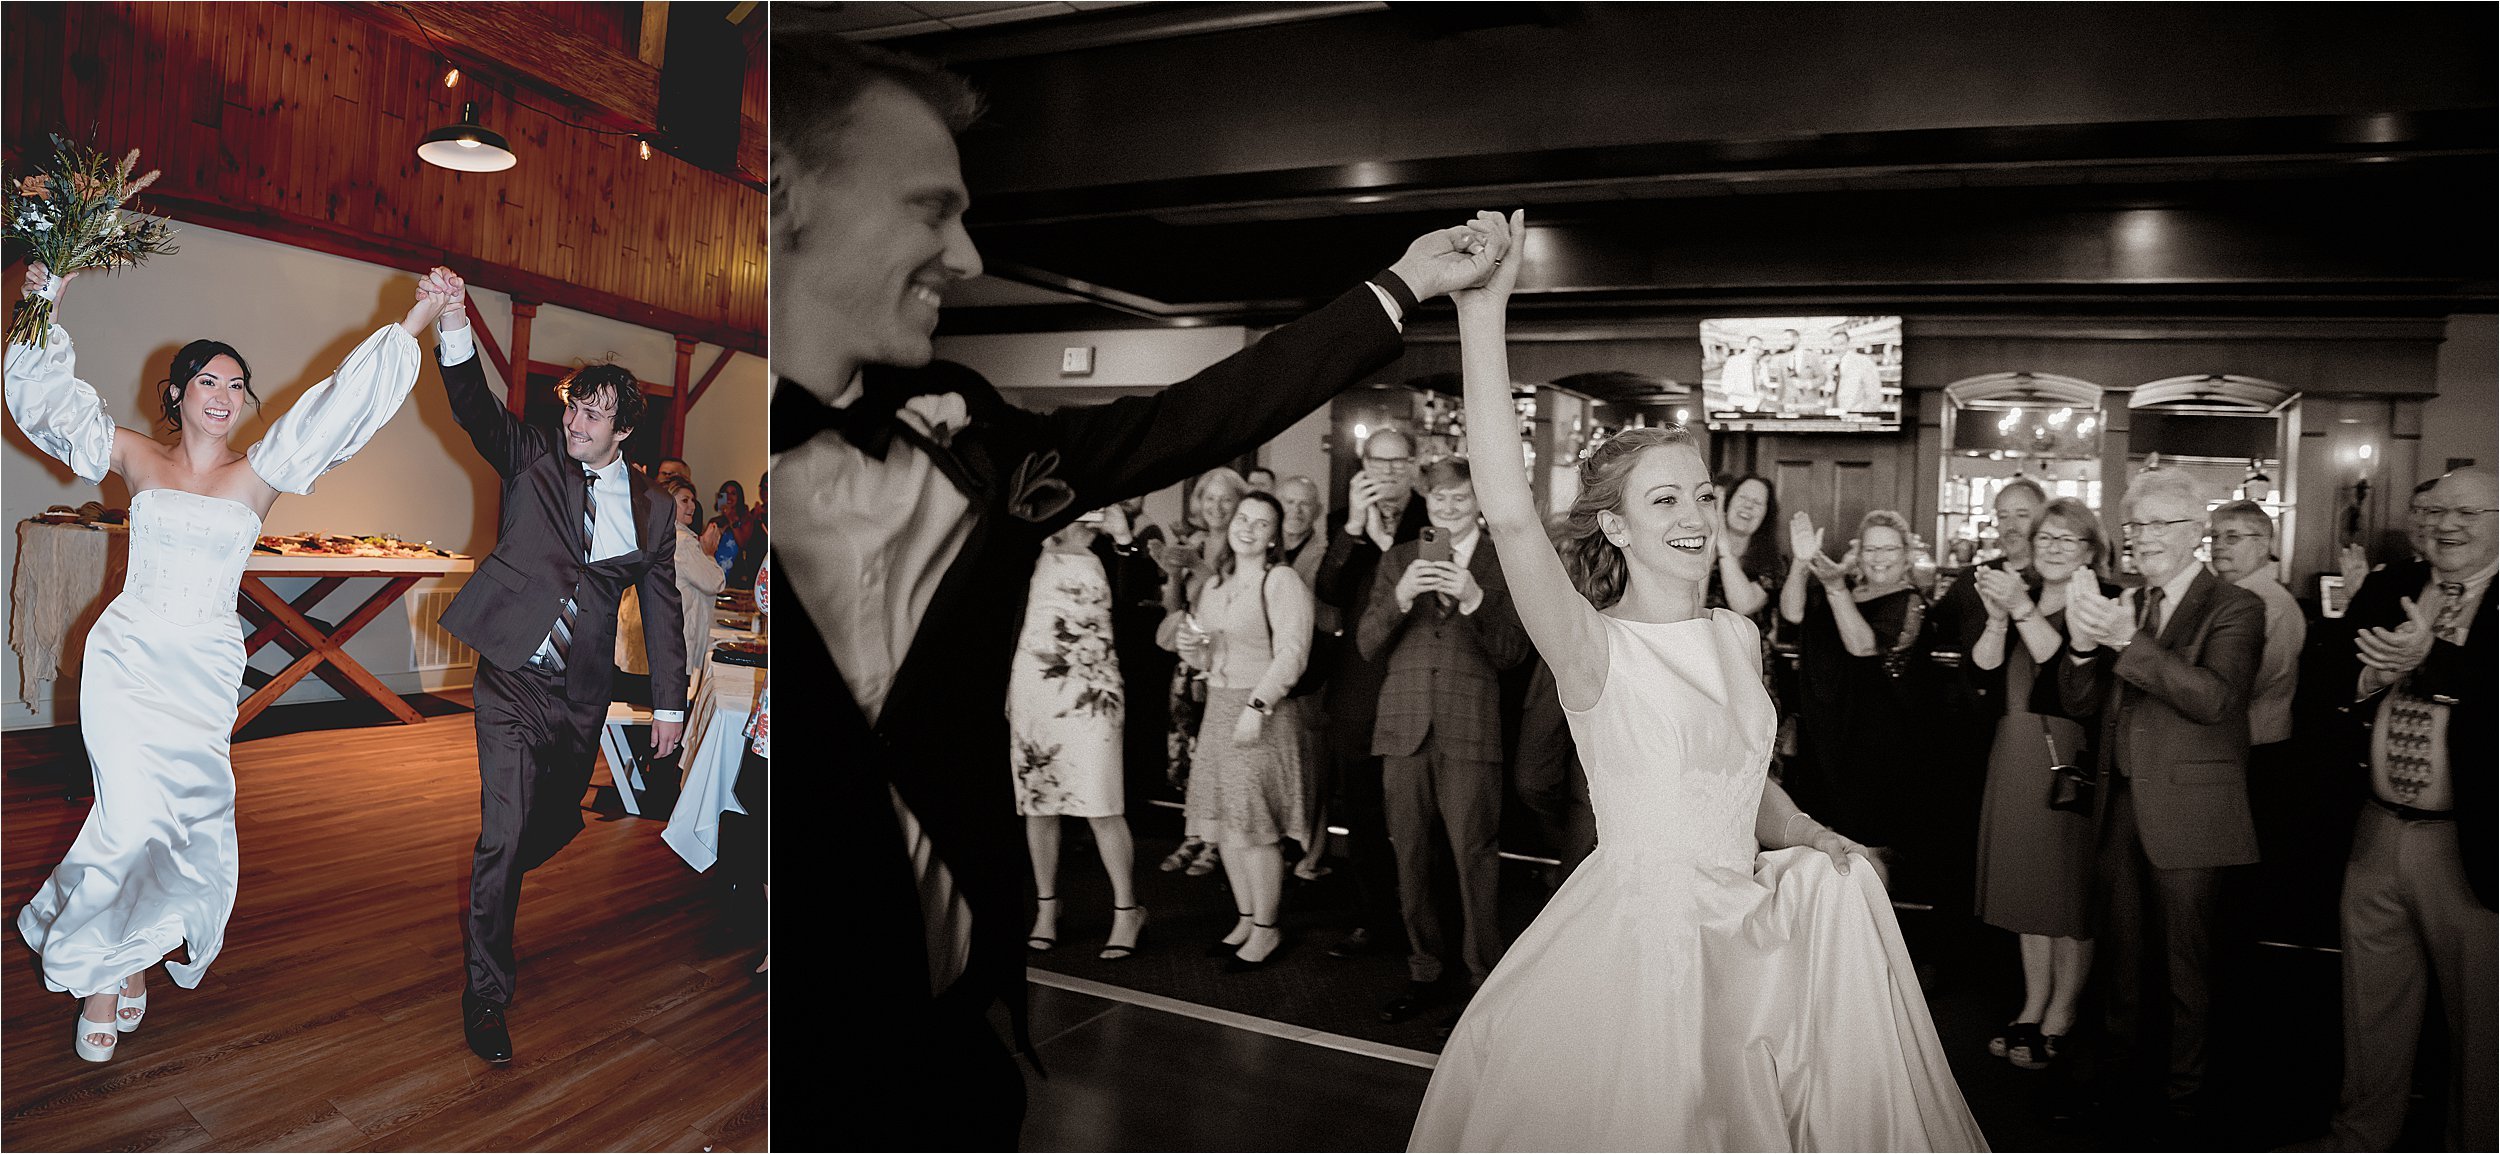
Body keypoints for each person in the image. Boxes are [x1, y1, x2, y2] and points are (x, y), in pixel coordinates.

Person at [773, 32, 1504, 1146]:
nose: (966, 254)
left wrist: (1400, 284)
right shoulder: (655, 457)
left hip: (953, 1045)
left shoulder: (969, 444)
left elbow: (1192, 419)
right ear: (779, 197)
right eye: (931, 209)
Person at [1410, 211, 1984, 1150]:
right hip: (1648, 952)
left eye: (1702, 496)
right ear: (1618, 528)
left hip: (1749, 935)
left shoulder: (1735, 633)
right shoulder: (1592, 648)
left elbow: (1737, 776)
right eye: (1664, 499)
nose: (1692, 515)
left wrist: (1808, 833)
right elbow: (1512, 519)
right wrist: (1484, 315)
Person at [9, 262, 444, 1064]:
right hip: (128, 660)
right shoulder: (138, 457)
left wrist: (416, 321)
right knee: (127, 818)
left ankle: (136, 953)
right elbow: (47, 405)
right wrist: (45, 304)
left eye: (236, 383)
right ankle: (104, 981)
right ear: (177, 393)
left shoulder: (260, 474)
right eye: (206, 378)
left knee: (180, 826)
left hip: (202, 668)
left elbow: (340, 405)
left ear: (246, 403)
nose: (222, 392)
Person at [428, 269, 689, 1064]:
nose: (577, 417)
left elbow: (666, 606)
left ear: (624, 435)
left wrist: (671, 706)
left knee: (548, 824)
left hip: (581, 696)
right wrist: (451, 323)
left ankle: (491, 896)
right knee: (502, 837)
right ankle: (486, 991)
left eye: (596, 411)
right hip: (510, 675)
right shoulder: (534, 455)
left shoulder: (649, 509)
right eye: (575, 403)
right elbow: (475, 408)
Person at [2058, 467, 2264, 1123]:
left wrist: (2124, 641)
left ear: (2194, 531)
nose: (2140, 538)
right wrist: (2086, 651)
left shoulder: (2235, 606)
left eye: (2154, 525)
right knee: (2121, 960)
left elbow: (2213, 699)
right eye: (2134, 525)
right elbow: (2083, 704)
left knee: (2185, 969)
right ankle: (2116, 1089)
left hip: (2191, 813)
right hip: (2119, 806)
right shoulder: (2134, 601)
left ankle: (2183, 1101)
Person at [2314, 467, 2494, 1151]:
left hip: (2471, 845)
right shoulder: (2392, 585)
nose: (2447, 525)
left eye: (2468, 513)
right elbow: (2328, 677)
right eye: (2436, 510)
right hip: (2376, 829)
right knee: (2371, 1009)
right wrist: (2374, 674)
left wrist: (2434, 659)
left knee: (2482, 1026)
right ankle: (2360, 1138)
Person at [1360, 457, 1533, 1028]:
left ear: (1478, 501)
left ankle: (1484, 979)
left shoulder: (1503, 561)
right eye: (1439, 498)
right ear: (1425, 501)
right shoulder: (1398, 559)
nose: (1449, 507)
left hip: (1470, 732)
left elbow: (1515, 654)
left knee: (1475, 859)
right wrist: (1402, 596)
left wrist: (1477, 599)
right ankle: (1424, 970)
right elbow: (1366, 645)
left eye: (1460, 497)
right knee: (1409, 858)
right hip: (1403, 731)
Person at [1968, 498, 2115, 1070]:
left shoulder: (2098, 600)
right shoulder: (2018, 588)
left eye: (2066, 540)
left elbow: (2066, 677)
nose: (2052, 548)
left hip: (2068, 753)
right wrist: (2000, 614)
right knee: (2027, 887)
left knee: (2067, 890)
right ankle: (2033, 1003)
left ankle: (2064, 1011)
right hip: (2017, 747)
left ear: (2089, 551)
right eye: (2046, 538)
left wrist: (2022, 607)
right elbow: (1983, 664)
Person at [1161, 490, 1315, 967]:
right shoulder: (1215, 585)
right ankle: (1246, 918)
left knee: (1255, 824)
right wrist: (1192, 647)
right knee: (1227, 822)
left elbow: (1292, 652)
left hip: (1262, 709)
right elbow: (1207, 659)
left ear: (1273, 537)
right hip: (1220, 707)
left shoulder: (1282, 580)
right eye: (1242, 518)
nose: (1248, 527)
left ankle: (1267, 929)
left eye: (1262, 523)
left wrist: (1257, 704)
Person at [1314, 426, 1429, 960]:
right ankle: (1373, 920)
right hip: (1357, 689)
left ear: (1412, 465)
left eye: (1397, 461)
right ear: (1363, 464)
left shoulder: (1431, 520)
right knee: (1362, 817)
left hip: (1411, 680)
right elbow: (1329, 595)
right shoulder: (1345, 523)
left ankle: (1422, 925)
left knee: (1414, 818)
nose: (1387, 471)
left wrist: (1386, 548)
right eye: (1377, 462)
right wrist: (1355, 531)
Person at [1010, 521, 1145, 961]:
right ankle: (1047, 908)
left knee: (1103, 802)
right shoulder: (1033, 538)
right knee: (1039, 801)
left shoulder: (1109, 542)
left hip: (1094, 687)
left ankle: (1127, 910)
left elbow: (1137, 597)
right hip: (1034, 683)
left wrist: (1124, 539)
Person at [1780, 507, 1934, 880]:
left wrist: (1835, 587)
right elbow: (1792, 612)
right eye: (1872, 549)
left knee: (1866, 854)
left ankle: (1872, 935)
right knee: (1822, 849)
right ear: (1859, 553)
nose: (1879, 559)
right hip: (1827, 740)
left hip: (1877, 751)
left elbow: (1863, 646)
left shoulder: (1911, 604)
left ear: (1906, 555)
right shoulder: (1841, 588)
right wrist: (1802, 564)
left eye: (1889, 550)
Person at [1154, 466, 1250, 878]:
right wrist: (1174, 571)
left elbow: (1229, 599)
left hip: (1228, 660)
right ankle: (1194, 834)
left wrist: (1198, 566)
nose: (1216, 507)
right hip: (1190, 659)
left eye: (1225, 498)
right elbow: (1175, 609)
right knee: (1189, 751)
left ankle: (1219, 840)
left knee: (1222, 753)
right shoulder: (1191, 541)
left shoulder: (1241, 543)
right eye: (1209, 498)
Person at [619, 477, 728, 700]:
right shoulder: (682, 541)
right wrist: (708, 553)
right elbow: (715, 582)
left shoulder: (652, 532)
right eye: (684, 500)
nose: (692, 506)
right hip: (674, 640)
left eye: (693, 500)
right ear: (667, 502)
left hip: (644, 643)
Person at [1834, 329, 1885, 412]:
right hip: (1843, 414)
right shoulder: (1838, 364)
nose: (1838, 348)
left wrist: (1864, 415)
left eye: (1841, 344)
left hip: (1858, 416)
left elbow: (1874, 395)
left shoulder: (1863, 362)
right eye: (1835, 345)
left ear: (1848, 343)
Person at [1717, 334, 1765, 411]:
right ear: (1747, 346)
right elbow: (1726, 388)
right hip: (1737, 405)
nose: (1757, 351)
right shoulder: (1734, 361)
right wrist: (1749, 395)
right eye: (1754, 347)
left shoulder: (1760, 364)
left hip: (1755, 405)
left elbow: (1762, 384)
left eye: (1760, 349)